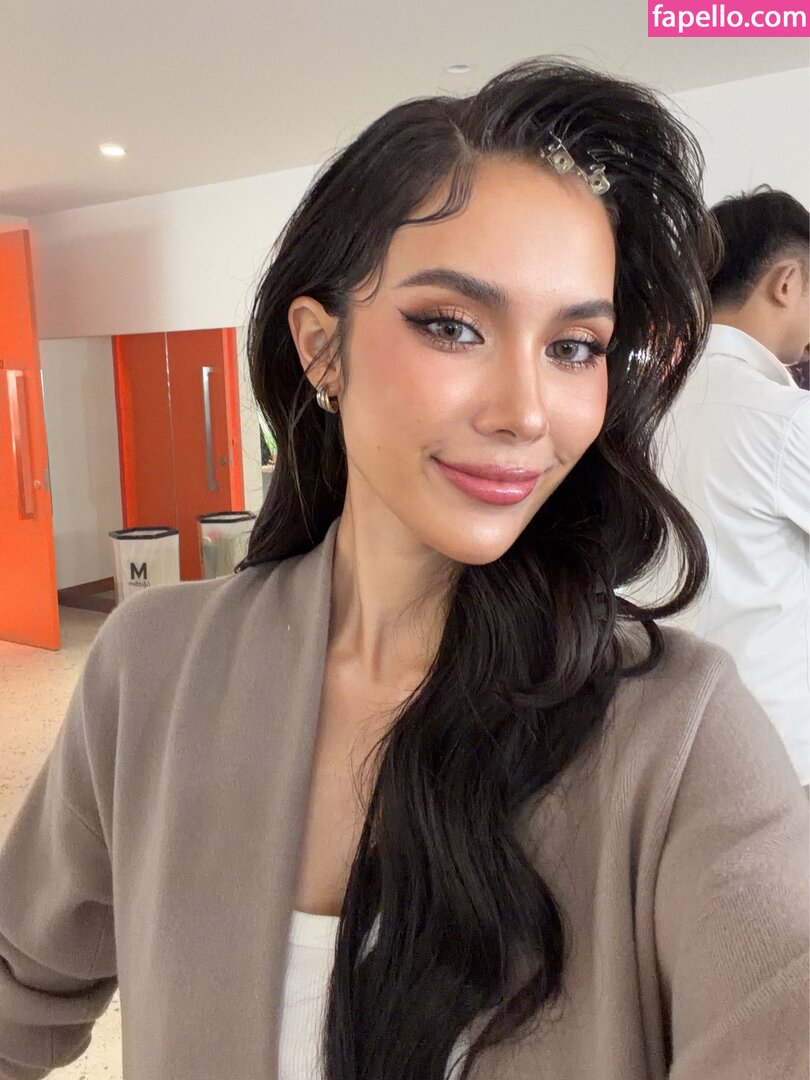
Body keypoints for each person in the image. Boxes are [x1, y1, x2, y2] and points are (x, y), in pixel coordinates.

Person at [0, 58, 807, 1080]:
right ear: (321, 350)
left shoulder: (680, 731)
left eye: (574, 346)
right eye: (453, 326)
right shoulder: (153, 668)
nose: (525, 412)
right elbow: (20, 983)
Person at [651, 188, 810, 786]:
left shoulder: (648, 408)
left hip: (664, 730)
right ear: (787, 283)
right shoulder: (784, 419)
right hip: (775, 746)